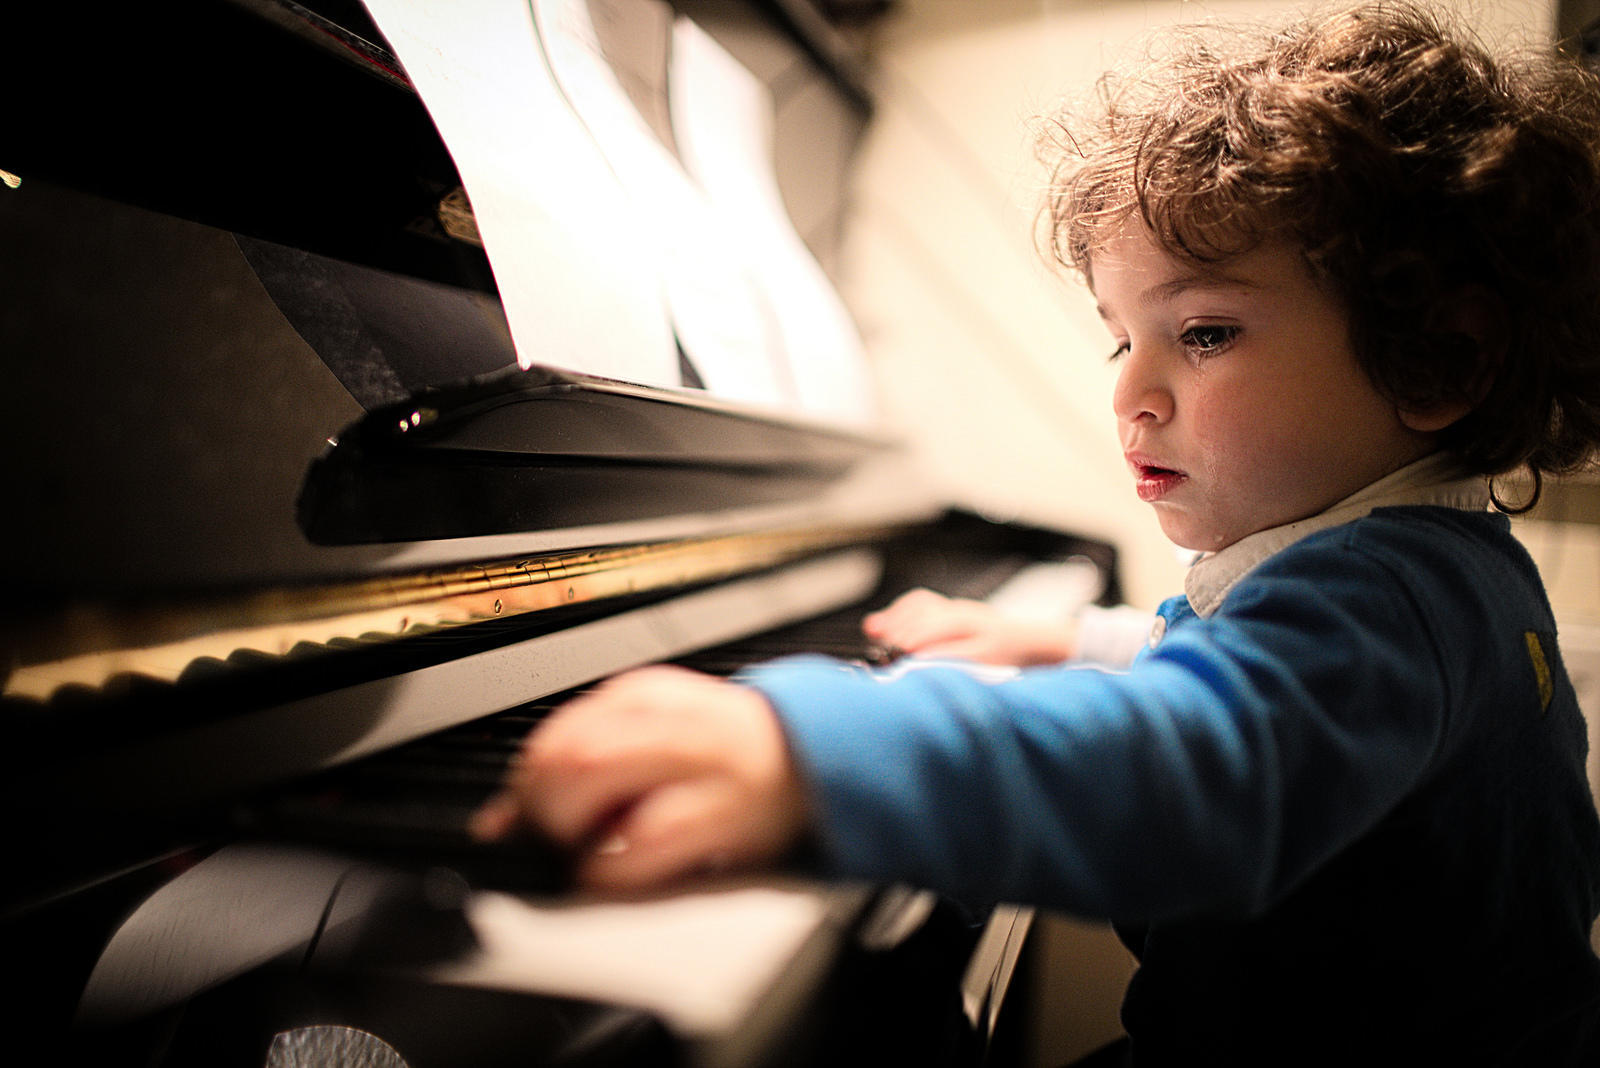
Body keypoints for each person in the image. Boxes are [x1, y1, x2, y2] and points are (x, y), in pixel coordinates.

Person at [472, 3, 1600, 1062]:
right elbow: (1279, 684)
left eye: (1202, 332)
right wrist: (1080, 646)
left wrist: (813, 754)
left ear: (1440, 359)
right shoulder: (1441, 566)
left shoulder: (1382, 593)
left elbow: (1202, 768)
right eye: (1123, 341)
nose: (1132, 394)